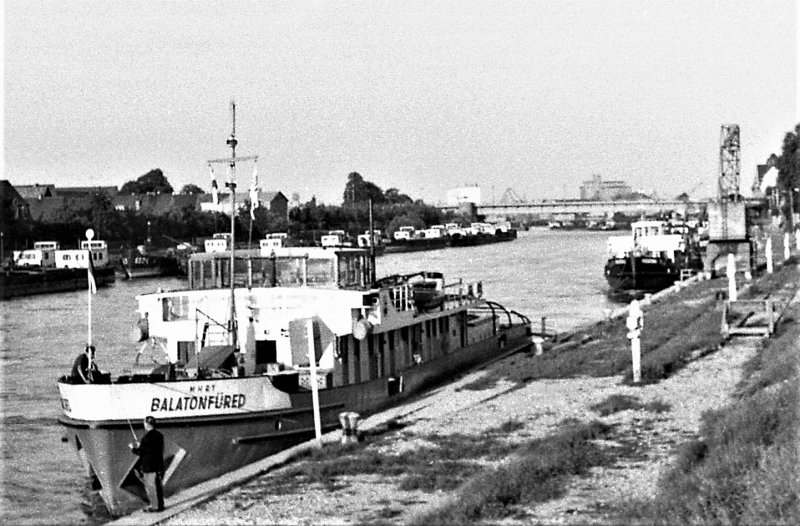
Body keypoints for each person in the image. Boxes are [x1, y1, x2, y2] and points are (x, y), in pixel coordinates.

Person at [129, 416, 165, 512]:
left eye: (144, 423)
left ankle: (154, 507)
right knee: (158, 486)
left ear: (147, 424)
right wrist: (142, 446)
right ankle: (161, 505)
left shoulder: (146, 438)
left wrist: (133, 448)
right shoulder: (160, 435)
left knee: (150, 487)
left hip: (149, 466)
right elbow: (153, 449)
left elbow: (141, 452)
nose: (144, 425)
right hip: (158, 465)